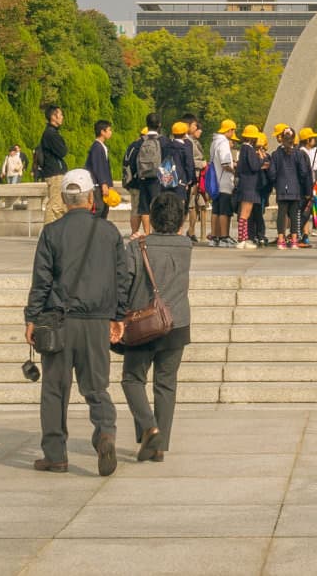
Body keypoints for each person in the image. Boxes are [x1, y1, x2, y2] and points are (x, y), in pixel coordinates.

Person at [25, 168, 130, 475]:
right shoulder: (109, 233)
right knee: (97, 387)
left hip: (59, 321)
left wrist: (32, 317)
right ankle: (105, 433)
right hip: (97, 321)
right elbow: (120, 278)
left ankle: (56, 454)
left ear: (64, 198)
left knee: (55, 390)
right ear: (91, 197)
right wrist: (118, 316)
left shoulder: (52, 233)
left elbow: (41, 281)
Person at [116, 189, 192, 464]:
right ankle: (158, 446)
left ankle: (150, 428)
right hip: (177, 322)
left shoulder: (137, 247)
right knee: (166, 384)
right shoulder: (186, 246)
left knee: (132, 379)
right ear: (180, 220)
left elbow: (123, 283)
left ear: (153, 218)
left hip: (144, 323)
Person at [268, 127, 314, 250]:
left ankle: (281, 240)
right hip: (295, 188)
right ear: (294, 139)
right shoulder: (299, 154)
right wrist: (303, 186)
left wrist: (276, 183)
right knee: (294, 215)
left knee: (281, 215)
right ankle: (294, 240)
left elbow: (271, 173)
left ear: (282, 139)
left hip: (282, 188)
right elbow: (304, 172)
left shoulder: (275, 154)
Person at [33, 104, 70, 223]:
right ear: (53, 116)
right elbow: (62, 151)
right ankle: (47, 234)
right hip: (54, 173)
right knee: (54, 205)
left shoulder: (53, 132)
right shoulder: (50, 133)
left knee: (62, 206)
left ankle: (61, 233)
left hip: (57, 172)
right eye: (61, 114)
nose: (62, 117)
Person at [233, 125, 266, 250]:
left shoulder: (243, 149)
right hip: (250, 184)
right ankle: (242, 239)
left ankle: (244, 238)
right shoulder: (249, 149)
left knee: (244, 213)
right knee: (245, 214)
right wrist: (261, 160)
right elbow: (254, 166)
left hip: (244, 183)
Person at [207, 119, 238, 248]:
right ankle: (224, 237)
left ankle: (214, 237)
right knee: (224, 211)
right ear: (230, 130)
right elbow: (225, 164)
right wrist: (235, 170)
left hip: (215, 181)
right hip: (224, 182)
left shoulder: (214, 142)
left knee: (216, 210)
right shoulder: (224, 143)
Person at [300, 127, 317, 244]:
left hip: (316, 183)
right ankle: (305, 234)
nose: (314, 140)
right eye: (313, 138)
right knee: (305, 209)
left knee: (316, 209)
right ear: (307, 140)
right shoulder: (300, 152)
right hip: (306, 183)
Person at [84, 121, 114, 220]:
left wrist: (110, 185)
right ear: (102, 132)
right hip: (97, 185)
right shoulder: (97, 147)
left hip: (102, 184)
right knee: (98, 208)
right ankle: (91, 230)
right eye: (109, 130)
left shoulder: (102, 146)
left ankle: (99, 231)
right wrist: (103, 183)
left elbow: (106, 168)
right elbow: (98, 167)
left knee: (104, 209)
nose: (111, 132)